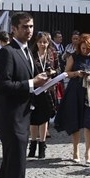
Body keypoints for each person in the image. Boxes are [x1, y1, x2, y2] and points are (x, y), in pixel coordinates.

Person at [0, 12, 50, 178]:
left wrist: (41, 81)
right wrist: (30, 84)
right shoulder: (7, 51)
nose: (29, 30)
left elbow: (27, 81)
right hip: (11, 119)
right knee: (17, 169)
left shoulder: (27, 51)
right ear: (14, 29)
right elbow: (3, 84)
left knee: (10, 166)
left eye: (32, 26)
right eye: (25, 27)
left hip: (23, 116)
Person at [55, 33, 90, 165]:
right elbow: (66, 73)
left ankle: (88, 153)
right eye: (83, 48)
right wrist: (76, 73)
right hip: (75, 91)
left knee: (89, 122)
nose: (85, 51)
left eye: (88, 48)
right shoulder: (74, 57)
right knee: (75, 121)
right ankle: (75, 150)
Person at [29, 32, 58, 160]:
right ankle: (33, 144)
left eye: (45, 42)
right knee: (33, 119)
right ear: (36, 42)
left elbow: (60, 69)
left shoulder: (52, 55)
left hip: (47, 90)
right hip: (35, 89)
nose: (43, 44)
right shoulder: (31, 54)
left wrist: (53, 72)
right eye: (40, 42)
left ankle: (42, 145)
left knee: (44, 118)